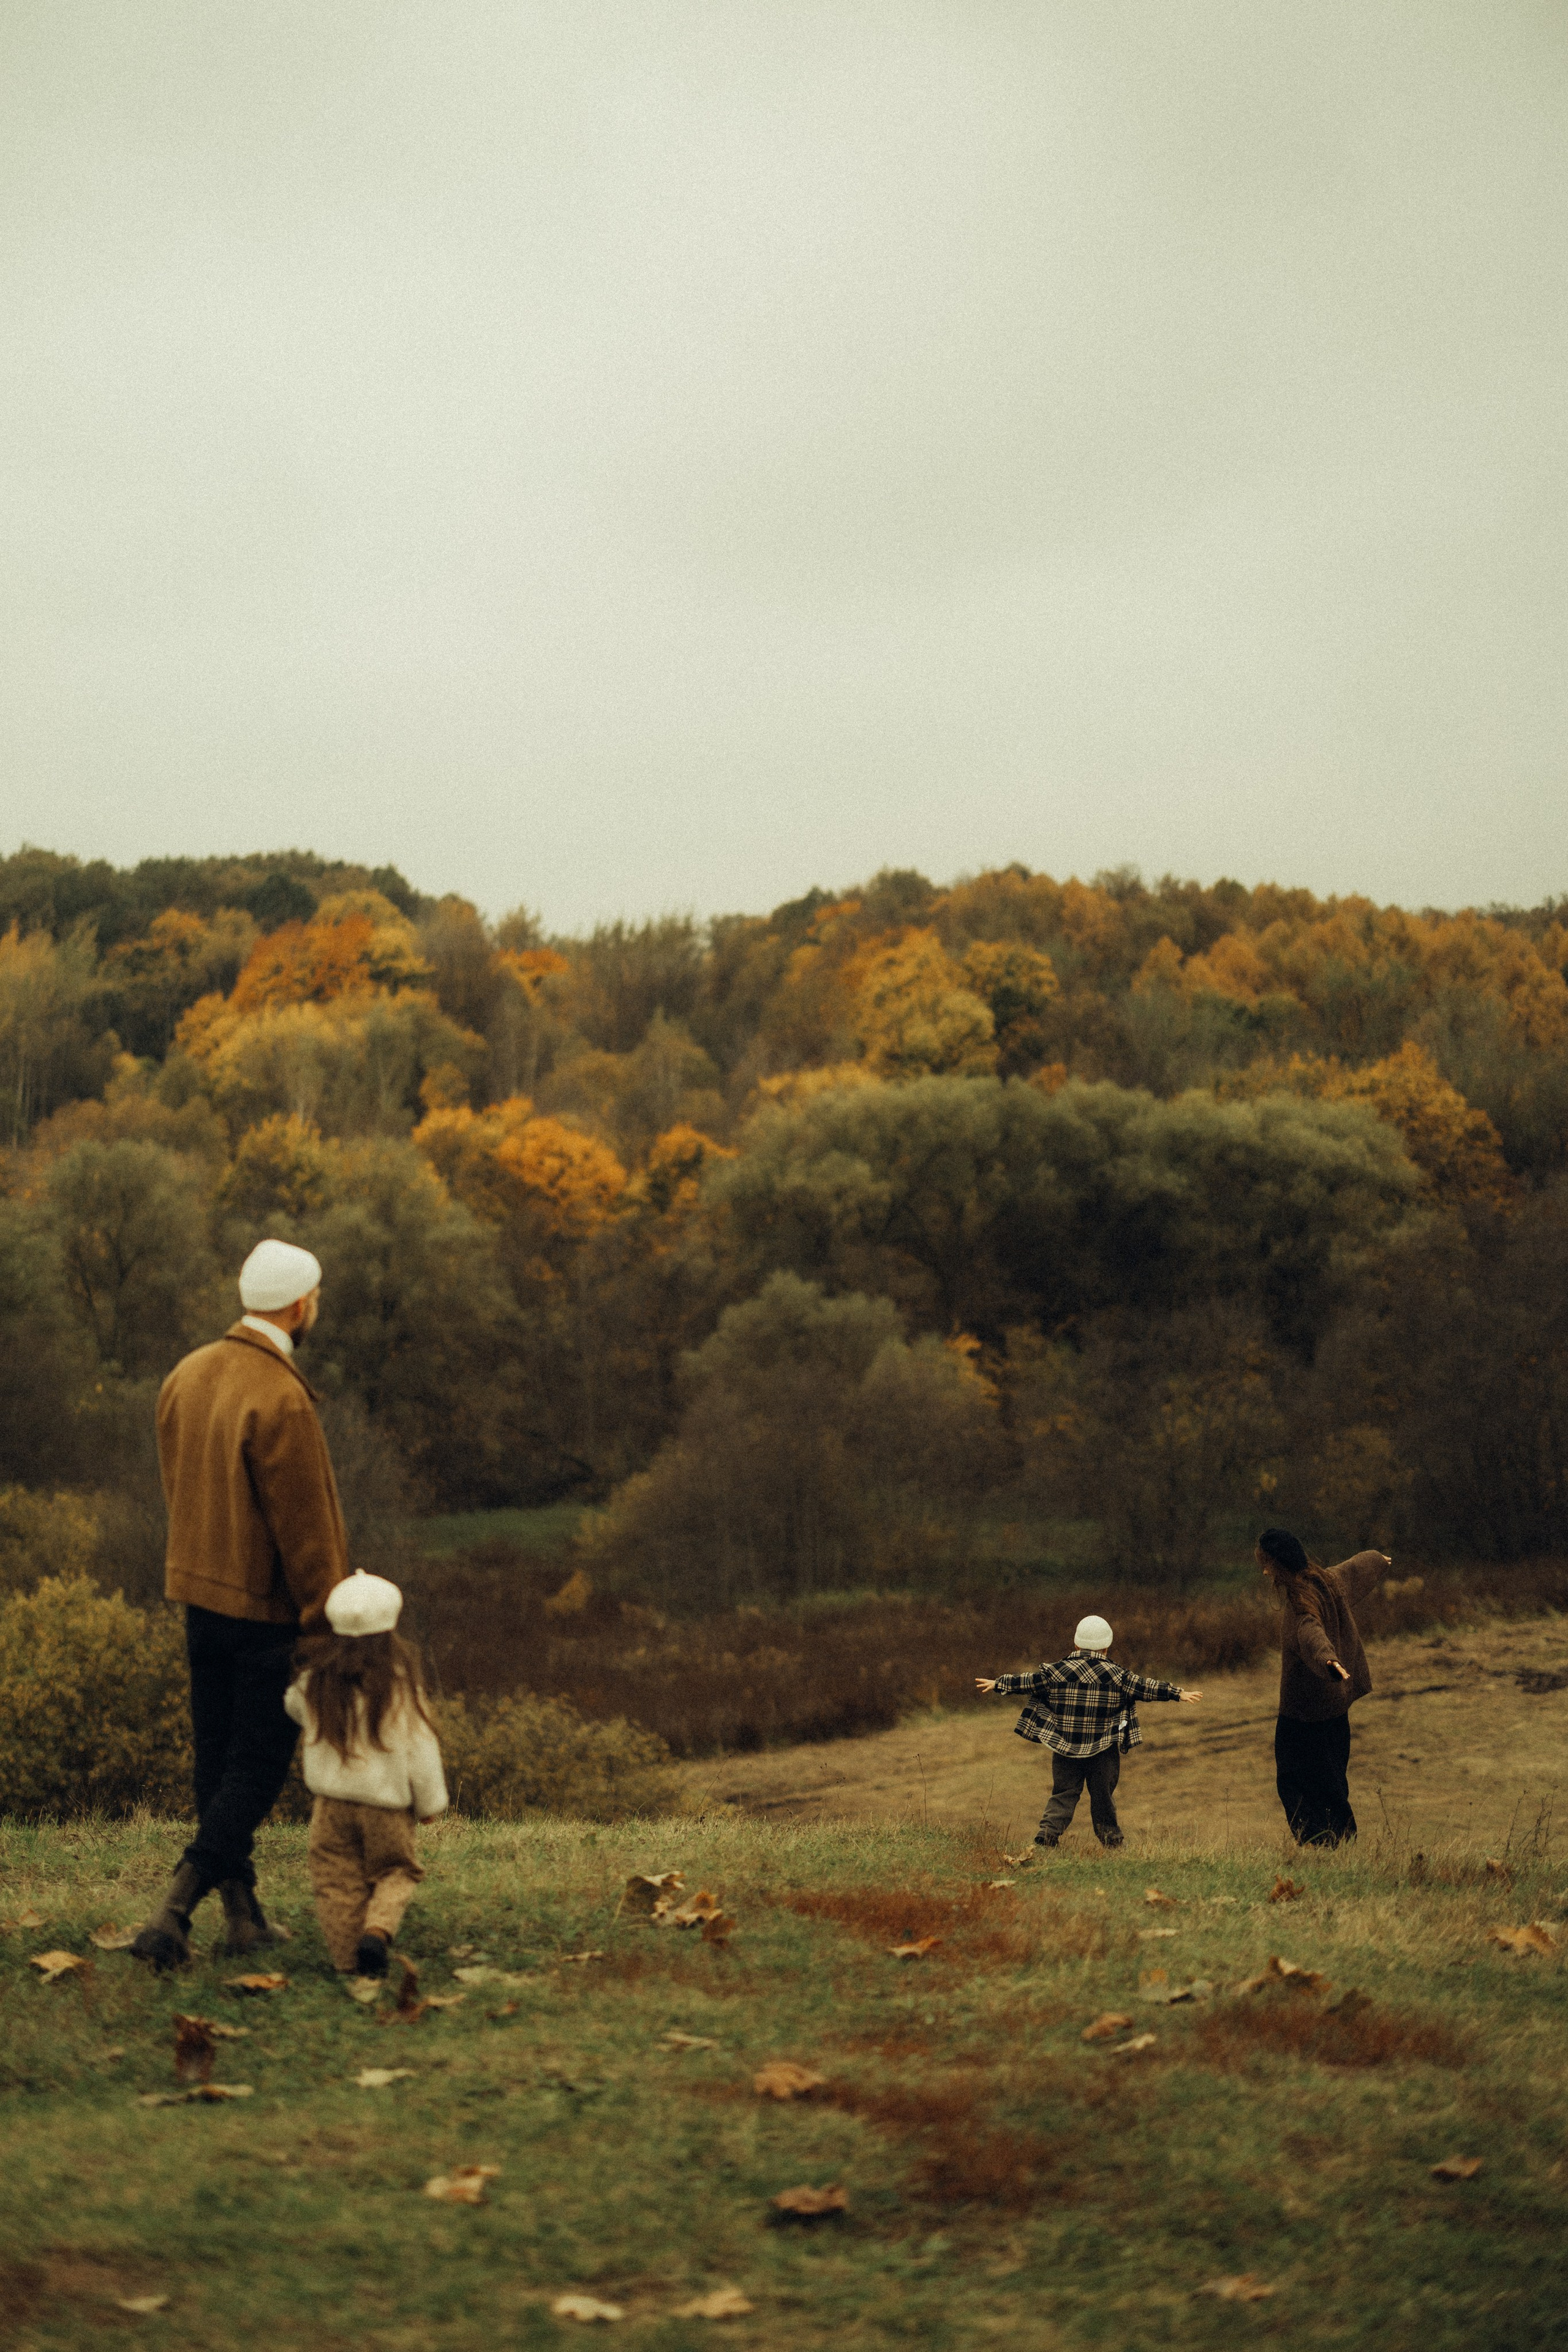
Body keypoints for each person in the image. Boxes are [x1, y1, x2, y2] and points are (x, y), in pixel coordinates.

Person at [131, 1238, 349, 1970]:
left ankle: (243, 1917)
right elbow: (309, 1533)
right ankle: (176, 1905)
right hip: (264, 1612)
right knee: (255, 1767)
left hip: (197, 1597)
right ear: (298, 1305)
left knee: (216, 1761)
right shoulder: (281, 1397)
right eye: (314, 1299)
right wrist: (330, 1625)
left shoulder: (187, 1375)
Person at [285, 1569, 447, 1975]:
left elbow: (292, 1706)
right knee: (396, 1870)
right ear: (390, 1631)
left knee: (336, 1883)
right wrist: (430, 1804)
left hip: (330, 1808)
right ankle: (376, 1932)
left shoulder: (315, 1685)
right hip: (386, 1809)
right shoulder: (399, 1688)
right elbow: (421, 1750)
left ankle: (347, 1963)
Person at [976, 1614, 1200, 1849]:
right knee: (1103, 1796)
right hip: (1103, 1749)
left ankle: (1047, 1835)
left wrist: (999, 1683)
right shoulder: (1118, 1675)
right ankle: (1112, 1842)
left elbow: (1027, 1681)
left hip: (1064, 1747)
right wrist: (1177, 1693)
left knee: (1063, 1793)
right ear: (1106, 1647)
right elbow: (1145, 1686)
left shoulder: (1055, 1671)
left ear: (1076, 1644)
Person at [1258, 1527, 1389, 1847]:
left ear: (1279, 1565)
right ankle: (1342, 1843)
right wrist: (1379, 1560)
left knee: (1294, 1783)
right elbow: (1357, 1569)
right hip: (1334, 1711)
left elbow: (1311, 1635)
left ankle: (1321, 1845)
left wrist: (1328, 1661)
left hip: (1302, 1716)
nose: (1264, 1572)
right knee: (1331, 1781)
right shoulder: (1328, 1581)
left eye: (1267, 1564)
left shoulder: (1300, 1607)